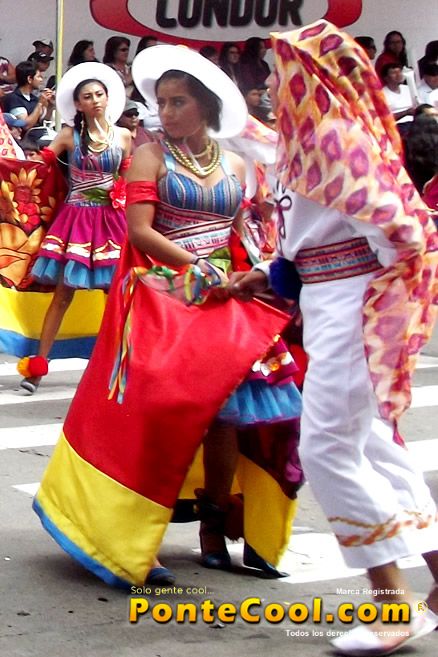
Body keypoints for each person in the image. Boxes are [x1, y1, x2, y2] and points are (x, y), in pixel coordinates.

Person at [32, 45, 303, 588]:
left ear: (206, 106)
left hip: (225, 299)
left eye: (179, 102)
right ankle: (140, 536)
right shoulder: (149, 156)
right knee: (159, 412)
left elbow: (245, 230)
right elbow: (139, 231)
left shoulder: (237, 163)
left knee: (224, 415)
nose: (167, 111)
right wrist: (195, 266)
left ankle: (214, 525)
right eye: (163, 102)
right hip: (163, 295)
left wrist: (258, 270)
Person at [229, 20, 438, 656]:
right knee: (371, 446)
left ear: (308, 77)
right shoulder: (306, 144)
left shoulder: (336, 139)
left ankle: (393, 604)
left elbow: (403, 232)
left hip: (353, 309)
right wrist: (276, 273)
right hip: (329, 305)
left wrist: (375, 303)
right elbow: (314, 238)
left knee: (326, 449)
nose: (270, 83)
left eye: (278, 72)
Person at [17, 62, 131, 394]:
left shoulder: (124, 136)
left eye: (99, 94)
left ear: (108, 98)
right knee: (63, 295)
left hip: (112, 221)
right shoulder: (69, 135)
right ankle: (38, 367)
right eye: (87, 97)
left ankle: (124, 367)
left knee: (117, 297)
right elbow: (39, 166)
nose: (95, 100)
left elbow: (128, 179)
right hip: (76, 220)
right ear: (78, 104)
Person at [381, 63, 415, 136]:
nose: (398, 75)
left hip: (415, 122)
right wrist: (406, 112)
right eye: (394, 73)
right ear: (386, 78)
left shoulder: (408, 88)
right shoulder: (382, 94)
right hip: (397, 125)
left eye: (400, 72)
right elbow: (385, 118)